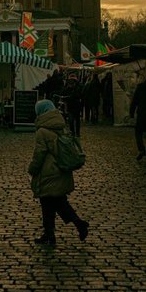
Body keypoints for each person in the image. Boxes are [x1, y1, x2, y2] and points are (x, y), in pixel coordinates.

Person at [28, 99, 89, 246]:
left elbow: (39, 154)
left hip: (49, 172)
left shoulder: (43, 131)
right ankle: (60, 231)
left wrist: (32, 169)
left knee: (48, 203)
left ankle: (52, 234)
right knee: (59, 203)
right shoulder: (61, 125)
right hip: (61, 170)